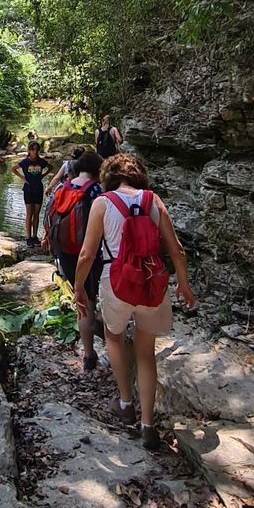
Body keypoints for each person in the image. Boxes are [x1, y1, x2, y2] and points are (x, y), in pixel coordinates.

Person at [73, 152, 196, 450]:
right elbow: (176, 250)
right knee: (145, 352)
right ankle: (148, 425)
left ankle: (126, 403)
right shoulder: (152, 200)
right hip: (151, 283)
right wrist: (183, 284)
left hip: (115, 281)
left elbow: (87, 254)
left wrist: (79, 287)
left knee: (114, 339)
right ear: (138, 174)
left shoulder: (103, 203)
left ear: (109, 176)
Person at [45, 150, 104, 373]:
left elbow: (49, 217)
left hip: (66, 253)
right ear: (97, 170)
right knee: (88, 302)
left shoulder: (63, 187)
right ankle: (90, 354)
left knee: (82, 301)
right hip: (89, 254)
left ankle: (90, 347)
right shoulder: (96, 191)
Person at [12, 140, 51, 245]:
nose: (35, 152)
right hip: (28, 189)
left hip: (38, 189)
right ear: (29, 150)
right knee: (29, 213)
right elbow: (13, 169)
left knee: (37, 213)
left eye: (37, 150)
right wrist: (22, 178)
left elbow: (50, 167)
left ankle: (35, 236)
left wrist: (43, 175)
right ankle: (28, 237)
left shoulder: (41, 161)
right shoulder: (25, 162)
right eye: (33, 149)